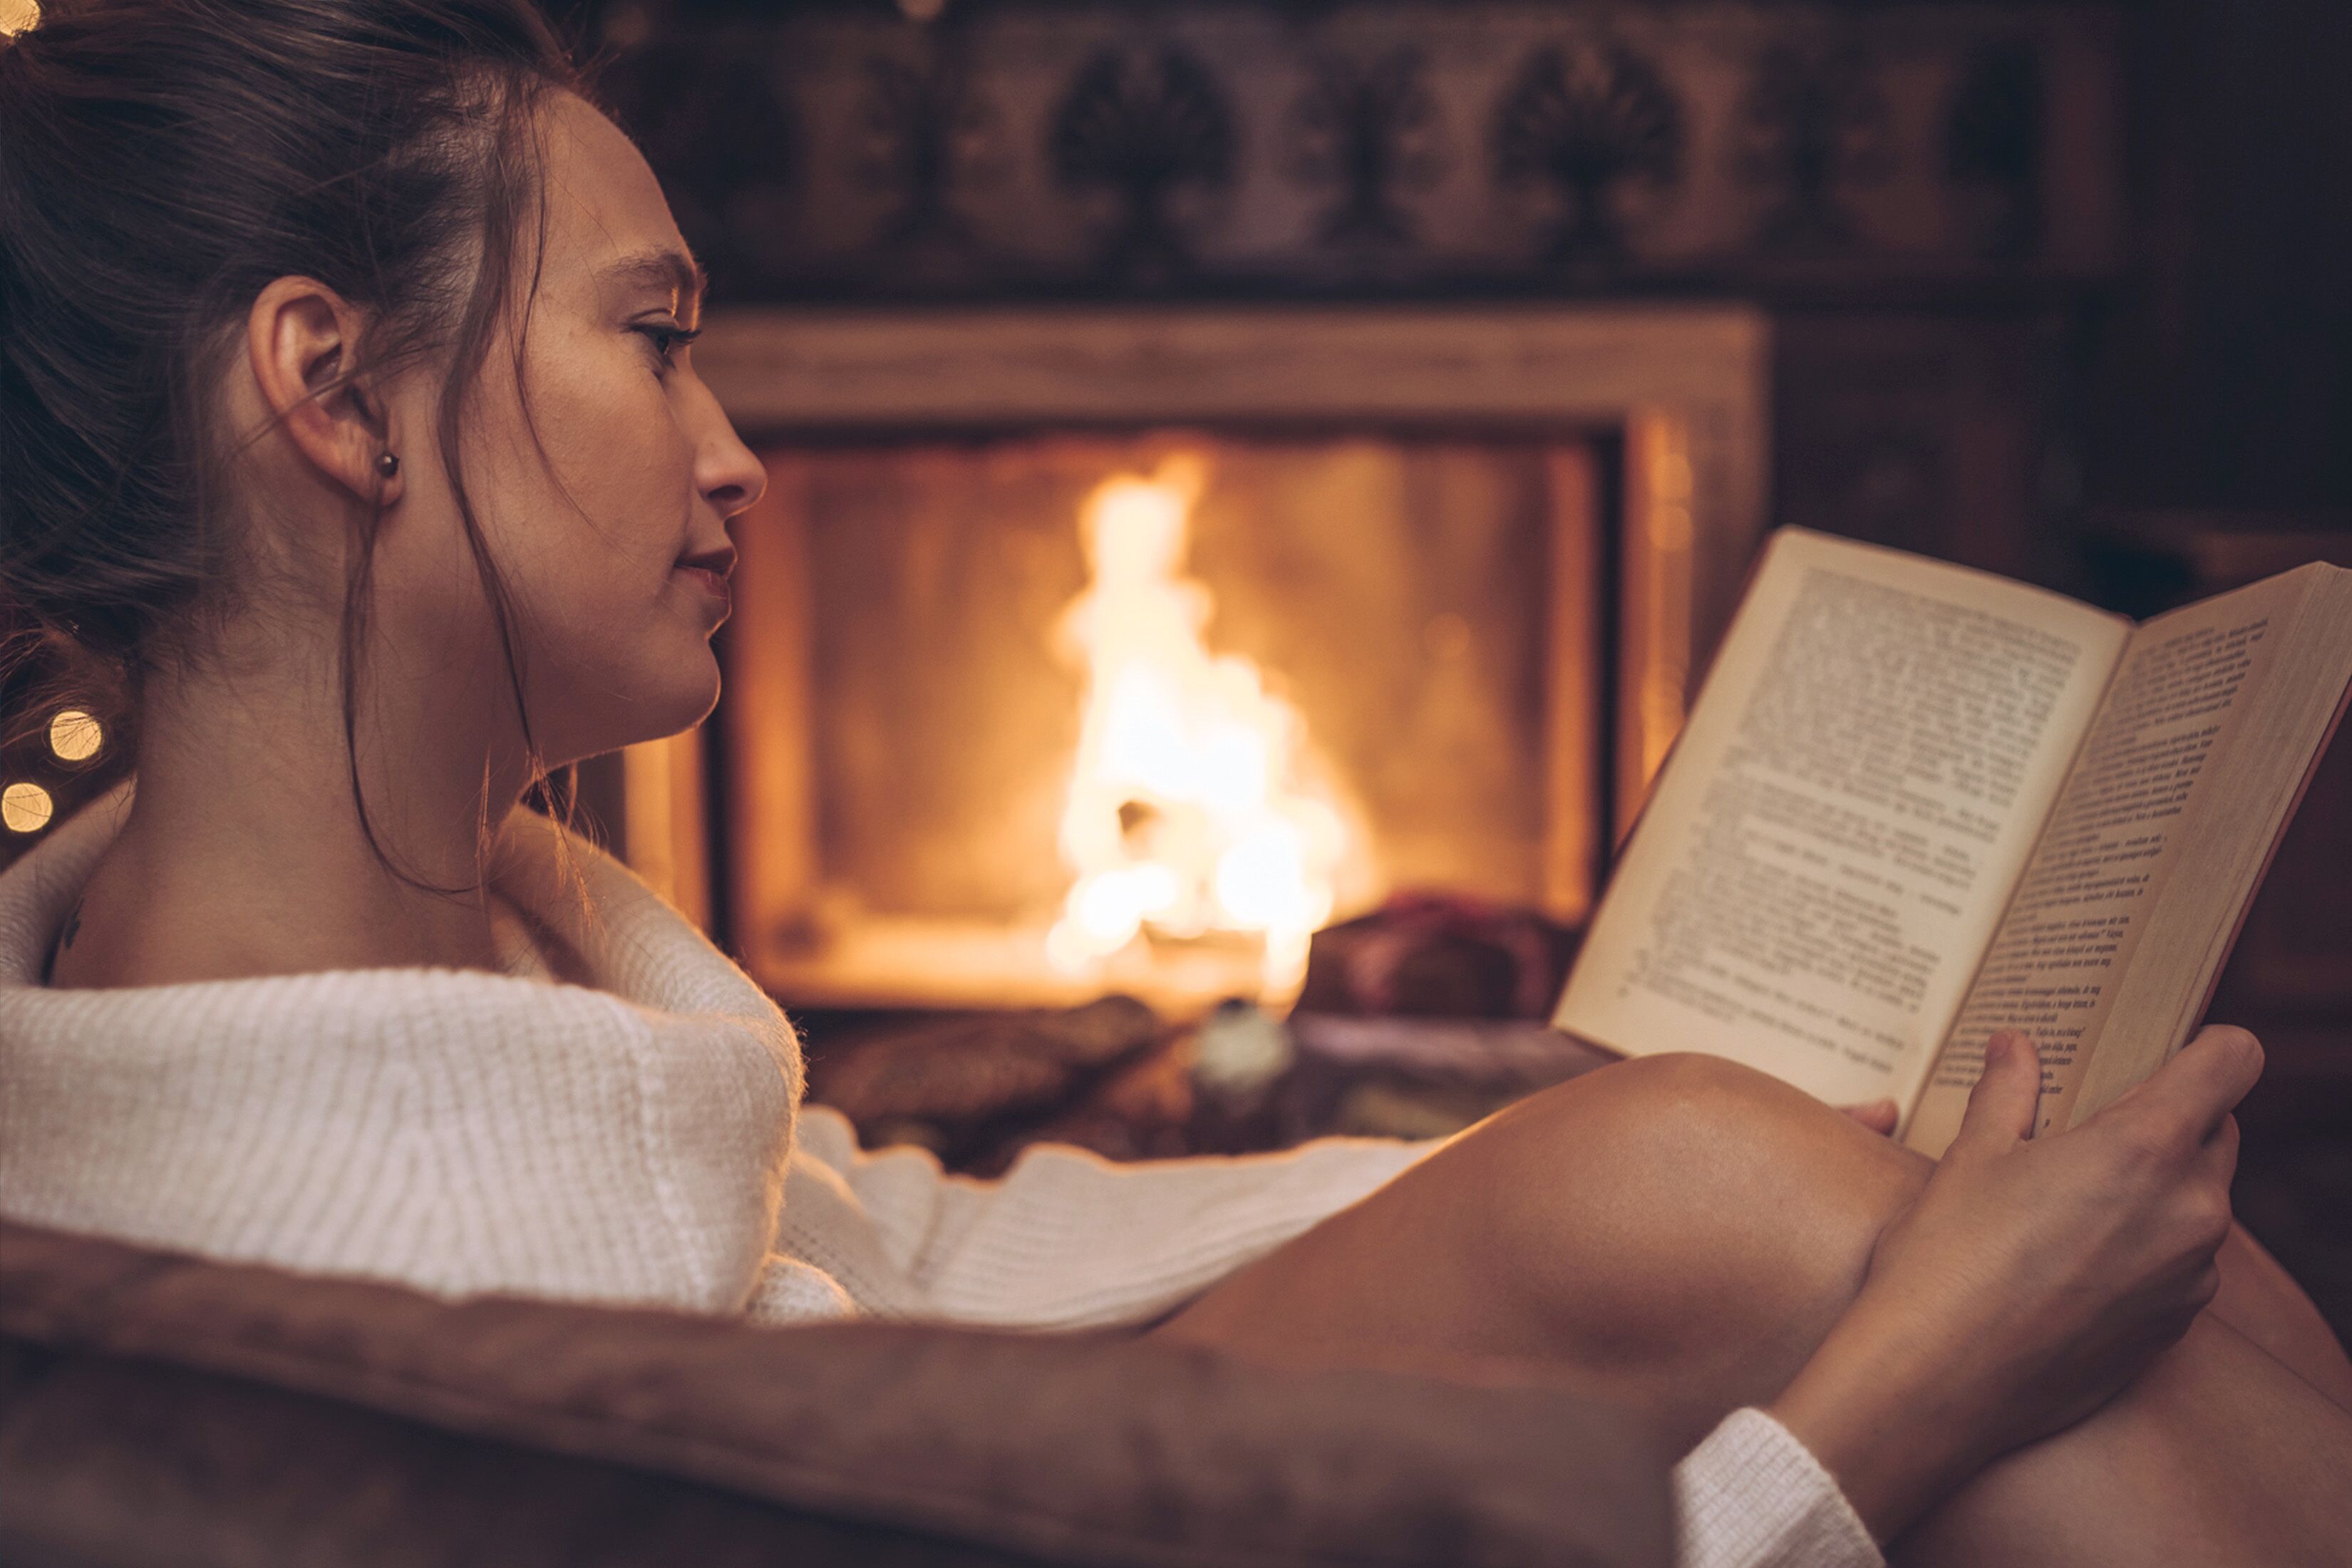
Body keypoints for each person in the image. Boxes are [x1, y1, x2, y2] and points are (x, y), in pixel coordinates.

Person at [0, 3, 2345, 1564]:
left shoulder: (431, 932)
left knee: (1949, 1192)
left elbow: (860, 1249)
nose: (730, 458)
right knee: (1967, 1291)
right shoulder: (345, 1297)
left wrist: (1517, 1155)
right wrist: (1877, 1423)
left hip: (975, 1397)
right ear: (331, 388)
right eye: (655, 336)